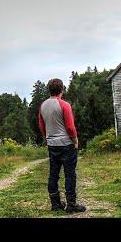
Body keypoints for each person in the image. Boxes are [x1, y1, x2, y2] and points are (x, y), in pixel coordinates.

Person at [38, 78, 86, 213]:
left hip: (52, 144)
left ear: (49, 90)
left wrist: (48, 139)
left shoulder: (43, 106)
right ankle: (71, 205)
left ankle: (55, 204)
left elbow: (42, 126)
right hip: (66, 144)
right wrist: (75, 140)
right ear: (61, 90)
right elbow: (70, 127)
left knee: (53, 174)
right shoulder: (64, 105)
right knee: (70, 174)